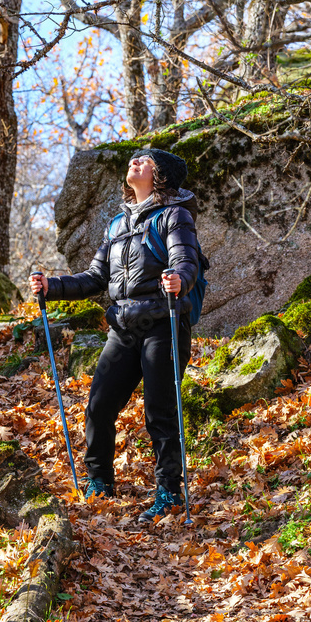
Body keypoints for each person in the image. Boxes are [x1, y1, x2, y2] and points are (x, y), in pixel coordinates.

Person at [29, 148, 199, 523]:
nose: (134, 164)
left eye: (144, 162)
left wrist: (179, 280)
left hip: (163, 324)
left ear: (161, 176)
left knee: (160, 411)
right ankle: (100, 482)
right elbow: (93, 278)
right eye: (133, 160)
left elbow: (185, 260)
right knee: (99, 406)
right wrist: (51, 285)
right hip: (122, 328)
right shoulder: (116, 226)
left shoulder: (175, 215)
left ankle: (169, 492)